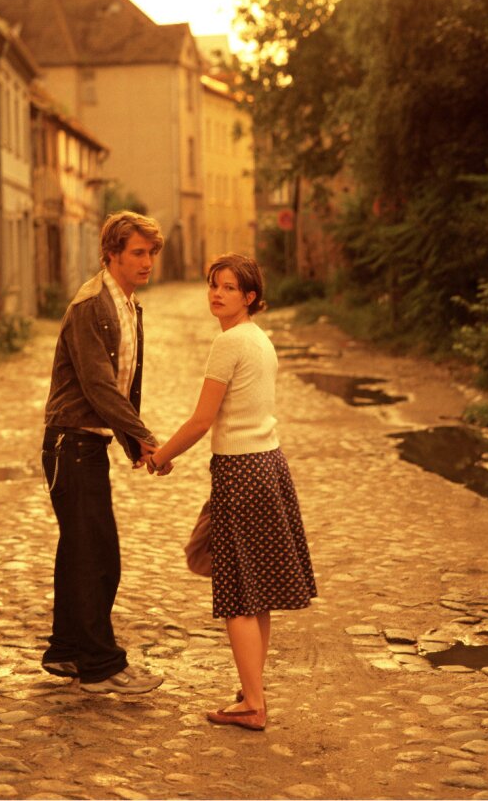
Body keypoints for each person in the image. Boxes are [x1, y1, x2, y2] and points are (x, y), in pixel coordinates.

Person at [147, 253, 316, 730]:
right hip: (268, 464)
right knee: (256, 591)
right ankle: (251, 689)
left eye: (228, 287)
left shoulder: (229, 343)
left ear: (249, 297)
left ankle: (253, 705)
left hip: (240, 470)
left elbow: (202, 420)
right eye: (213, 285)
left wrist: (160, 456)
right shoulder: (259, 340)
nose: (217, 294)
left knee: (239, 593)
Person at [41, 210, 171, 695]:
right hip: (70, 443)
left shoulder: (129, 306)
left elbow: (124, 384)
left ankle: (67, 650)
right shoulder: (90, 305)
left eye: (151, 253)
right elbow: (99, 387)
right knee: (98, 556)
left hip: (87, 443)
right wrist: (146, 438)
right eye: (137, 252)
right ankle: (100, 665)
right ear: (111, 253)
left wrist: (132, 442)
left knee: (80, 551)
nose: (147, 262)